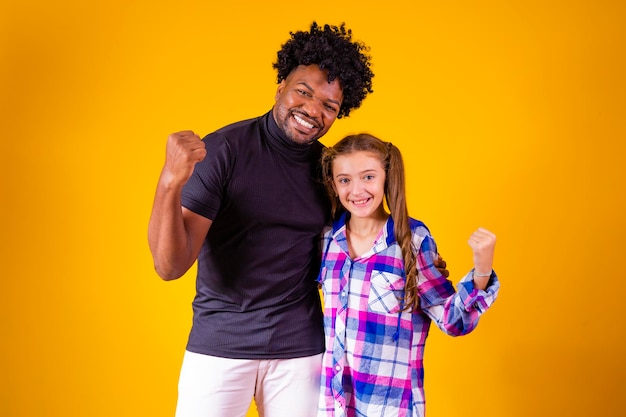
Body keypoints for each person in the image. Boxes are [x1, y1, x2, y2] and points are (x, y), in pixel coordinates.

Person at [147, 22, 376, 417]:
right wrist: (169, 183)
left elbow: (364, 245)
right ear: (281, 86)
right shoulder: (224, 151)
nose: (312, 111)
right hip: (220, 346)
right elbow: (169, 266)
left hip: (300, 353)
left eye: (329, 106)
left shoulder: (331, 171)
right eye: (303, 92)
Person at [317, 133, 500, 417]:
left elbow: (452, 320)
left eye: (368, 177)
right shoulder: (328, 240)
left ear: (387, 177)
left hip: (389, 407)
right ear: (333, 183)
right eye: (345, 180)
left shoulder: (412, 241)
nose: (356, 190)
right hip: (332, 406)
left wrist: (482, 269)